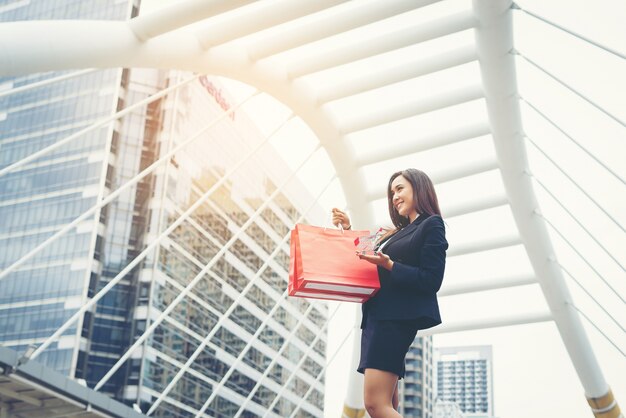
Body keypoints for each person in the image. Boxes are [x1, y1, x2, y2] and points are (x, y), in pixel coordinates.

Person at [332, 168, 448, 418]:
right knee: (387, 405)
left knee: (375, 404)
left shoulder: (432, 225)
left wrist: (390, 265)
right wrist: (348, 228)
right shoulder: (395, 232)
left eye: (400, 188)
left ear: (419, 188)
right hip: (377, 318)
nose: (394, 196)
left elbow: (431, 279)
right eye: (391, 192)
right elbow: (366, 257)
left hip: (394, 320)